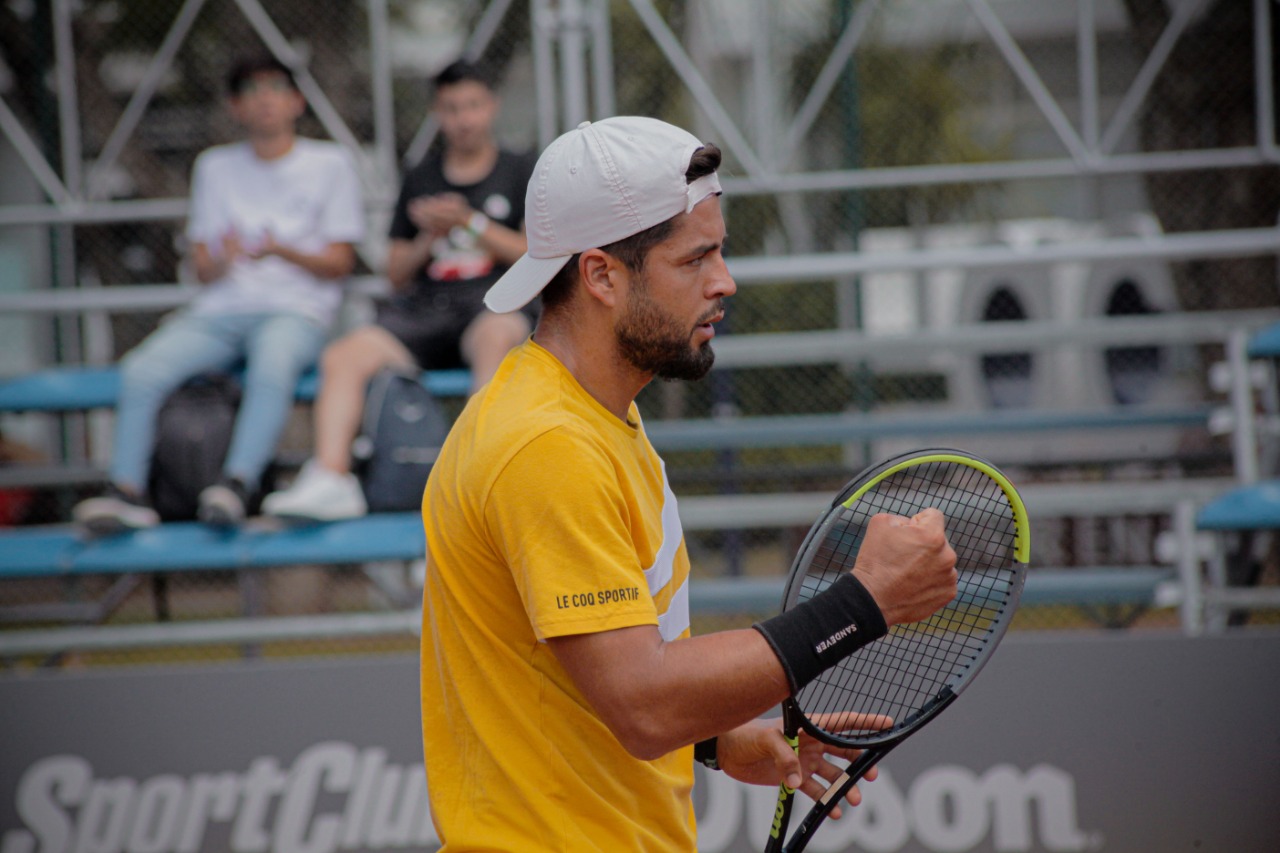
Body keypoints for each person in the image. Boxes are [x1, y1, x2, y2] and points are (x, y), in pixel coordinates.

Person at [417, 116, 959, 850]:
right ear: (601, 275)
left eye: (720, 251)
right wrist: (867, 602)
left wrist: (712, 738)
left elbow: (579, 669)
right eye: (695, 258)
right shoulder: (547, 444)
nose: (724, 281)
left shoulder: (585, 413)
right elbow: (643, 703)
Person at [73, 54, 364, 533]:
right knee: (141, 370)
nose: (264, 99)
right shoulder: (215, 167)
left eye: (275, 88)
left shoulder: (330, 163)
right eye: (251, 89)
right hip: (220, 311)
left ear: (297, 101)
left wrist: (281, 250)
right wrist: (223, 258)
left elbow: (341, 263)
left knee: (272, 366)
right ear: (234, 106)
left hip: (296, 310)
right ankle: (126, 491)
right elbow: (202, 269)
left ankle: (237, 485)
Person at [261, 60, 535, 521]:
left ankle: (479, 475)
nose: (463, 119)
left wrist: (469, 223)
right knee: (343, 356)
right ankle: (331, 477)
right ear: (437, 113)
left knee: (497, 337)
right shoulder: (420, 175)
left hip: (490, 305)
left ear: (491, 106)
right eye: (451, 108)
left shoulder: (520, 168)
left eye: (472, 106)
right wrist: (430, 236)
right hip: (424, 312)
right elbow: (395, 272)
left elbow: (532, 254)